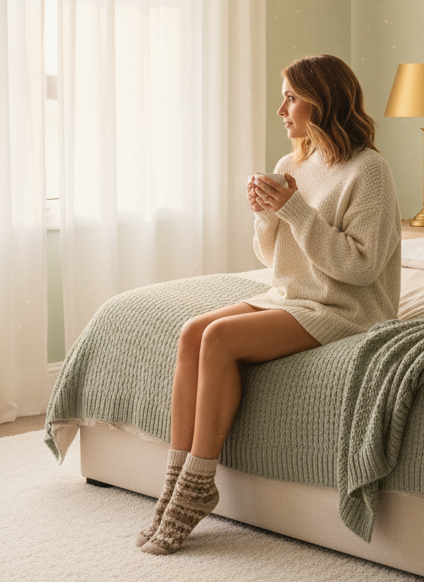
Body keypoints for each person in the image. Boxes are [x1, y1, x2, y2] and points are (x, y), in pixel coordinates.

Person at [138, 54, 402, 555]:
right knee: (194, 330)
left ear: (322, 102)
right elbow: (271, 256)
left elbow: (360, 268)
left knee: (219, 338)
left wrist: (292, 209)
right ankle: (175, 481)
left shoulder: (369, 170)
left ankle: (197, 487)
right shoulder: (292, 163)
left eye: (291, 97)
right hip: (293, 296)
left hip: (347, 308)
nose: (281, 109)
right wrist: (266, 216)